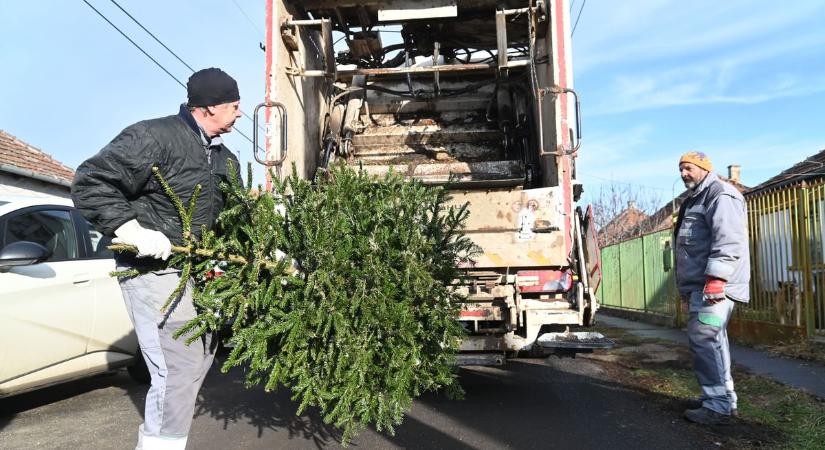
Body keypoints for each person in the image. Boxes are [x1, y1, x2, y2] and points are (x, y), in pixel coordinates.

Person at [71, 67, 242, 449]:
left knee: (200, 357)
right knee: (177, 364)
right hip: (153, 271)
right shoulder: (153, 137)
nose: (239, 113)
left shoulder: (224, 159)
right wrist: (130, 229)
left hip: (198, 272)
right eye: (234, 105)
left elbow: (237, 216)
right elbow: (91, 180)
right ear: (210, 107)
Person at [674, 151, 750, 425]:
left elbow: (729, 240)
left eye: (688, 168)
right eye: (680, 169)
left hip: (714, 288)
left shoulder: (720, 195)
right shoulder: (695, 199)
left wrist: (717, 279)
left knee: (705, 340)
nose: (683, 173)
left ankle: (716, 405)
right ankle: (722, 400)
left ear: (705, 168)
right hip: (701, 288)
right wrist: (687, 292)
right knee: (713, 341)